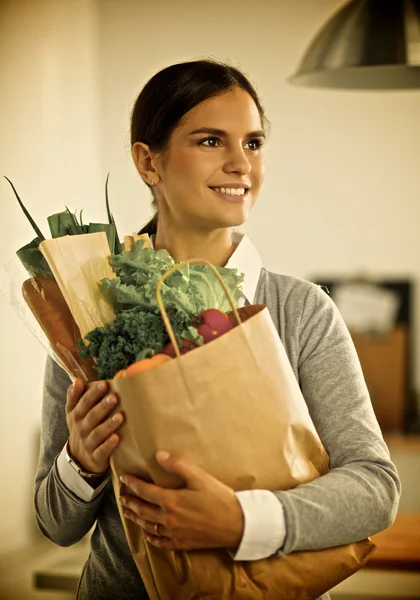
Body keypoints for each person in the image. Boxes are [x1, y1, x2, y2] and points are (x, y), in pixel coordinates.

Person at [34, 59, 401, 600]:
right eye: (210, 140)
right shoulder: (89, 312)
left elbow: (375, 488)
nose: (240, 164)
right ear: (147, 162)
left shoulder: (300, 311)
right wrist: (81, 462)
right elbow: (55, 525)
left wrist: (242, 521)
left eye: (253, 143)